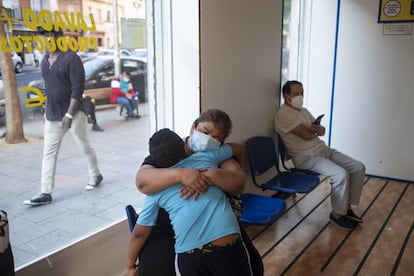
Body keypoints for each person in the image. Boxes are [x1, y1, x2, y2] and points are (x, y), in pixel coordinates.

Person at [131, 109, 263, 276]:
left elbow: (238, 183)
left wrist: (211, 175)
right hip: (169, 228)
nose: (208, 140)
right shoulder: (170, 149)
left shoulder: (214, 155)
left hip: (216, 227)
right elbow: (142, 181)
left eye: (216, 139)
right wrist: (182, 174)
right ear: (193, 127)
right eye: (205, 132)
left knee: (254, 264)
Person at [23, 28, 103, 206]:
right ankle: (45, 191)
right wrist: (46, 106)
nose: (48, 40)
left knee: (84, 146)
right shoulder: (44, 61)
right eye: (45, 37)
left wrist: (69, 113)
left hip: (73, 114)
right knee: (48, 153)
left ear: (59, 38)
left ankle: (95, 174)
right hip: (52, 116)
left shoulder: (71, 58)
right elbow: (49, 87)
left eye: (51, 36)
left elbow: (77, 88)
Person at [274, 80, 366, 231]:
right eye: (296, 94)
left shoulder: (303, 111)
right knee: (340, 175)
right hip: (306, 157)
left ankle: (346, 207)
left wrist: (315, 129)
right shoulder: (282, 114)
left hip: (323, 150)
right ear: (286, 96)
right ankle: (337, 214)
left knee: (358, 167)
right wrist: (312, 130)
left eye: (302, 93)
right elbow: (306, 136)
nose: (301, 96)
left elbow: (321, 131)